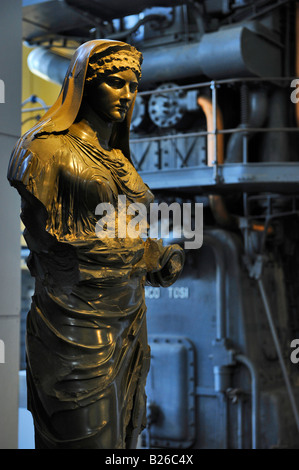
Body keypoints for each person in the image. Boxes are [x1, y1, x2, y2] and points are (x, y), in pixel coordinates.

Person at [7, 39, 184, 449]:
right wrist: (149, 253)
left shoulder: (119, 159)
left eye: (134, 85)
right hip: (74, 328)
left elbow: (129, 231)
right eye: (115, 83)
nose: (127, 95)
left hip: (128, 320)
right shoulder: (43, 149)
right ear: (85, 83)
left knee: (124, 440)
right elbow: (67, 242)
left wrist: (157, 256)